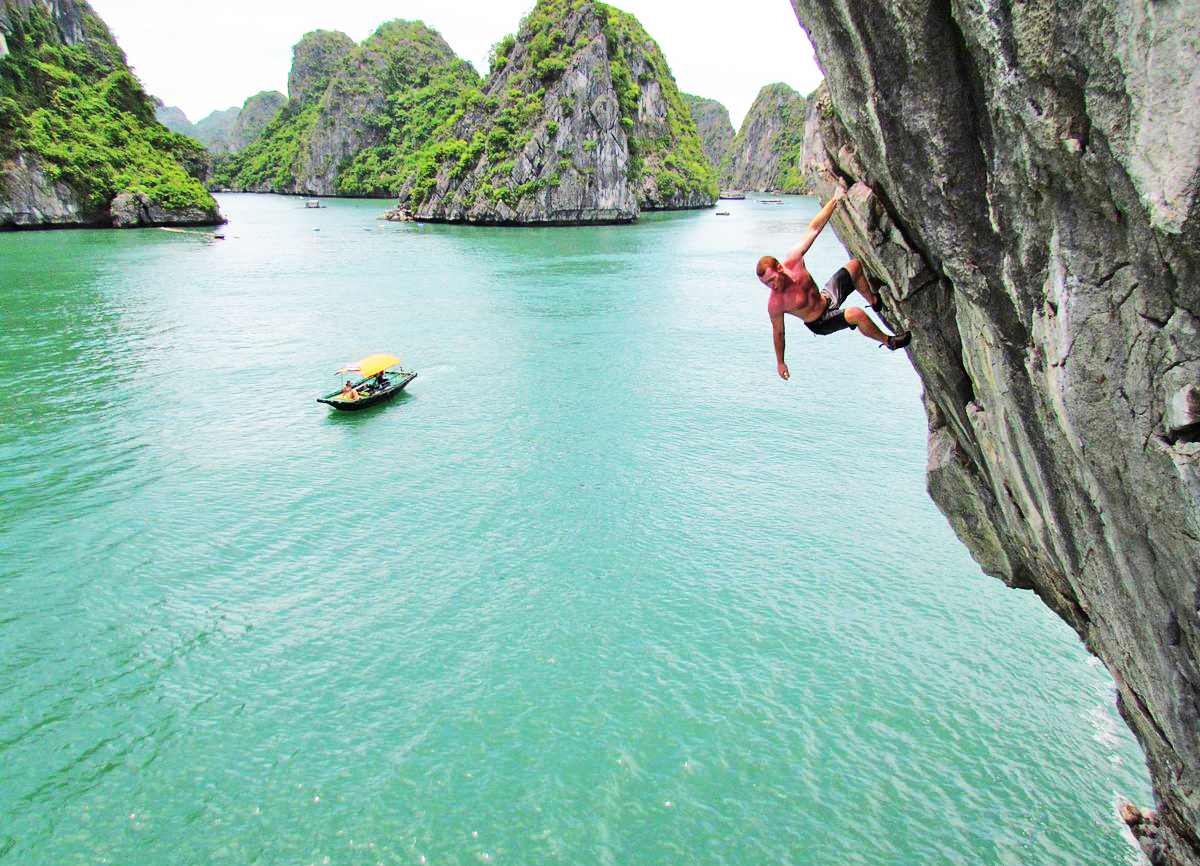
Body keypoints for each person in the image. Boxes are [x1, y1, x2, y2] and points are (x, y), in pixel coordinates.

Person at [756, 186, 911, 380]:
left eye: (772, 280)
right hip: (819, 322)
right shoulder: (775, 304)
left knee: (855, 266)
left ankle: (874, 301)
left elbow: (814, 228)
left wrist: (835, 199)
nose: (772, 286)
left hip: (826, 298)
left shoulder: (794, 259)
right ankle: (889, 342)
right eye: (766, 284)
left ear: (779, 268)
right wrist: (780, 362)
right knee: (855, 314)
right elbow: (779, 334)